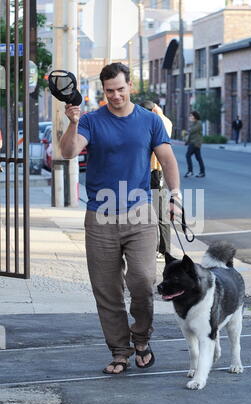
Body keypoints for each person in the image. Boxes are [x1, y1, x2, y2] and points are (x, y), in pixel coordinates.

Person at [60, 63, 181, 375]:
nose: (115, 95)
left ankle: (141, 338)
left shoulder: (150, 120)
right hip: (99, 217)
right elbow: (68, 152)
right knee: (107, 289)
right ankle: (119, 350)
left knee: (142, 280)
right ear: (104, 90)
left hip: (140, 213)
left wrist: (175, 195)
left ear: (130, 87)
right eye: (109, 90)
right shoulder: (90, 120)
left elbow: (167, 159)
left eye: (120, 89)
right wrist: (72, 123)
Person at [140, 100, 172, 261]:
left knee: (160, 212)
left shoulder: (162, 122)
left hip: (158, 172)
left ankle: (165, 250)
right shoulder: (157, 120)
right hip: (152, 172)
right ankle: (158, 247)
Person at [184, 111, 205, 178]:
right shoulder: (194, 123)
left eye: (191, 116)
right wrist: (187, 142)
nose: (190, 117)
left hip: (195, 143)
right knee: (198, 158)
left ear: (195, 116)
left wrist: (189, 129)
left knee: (188, 155)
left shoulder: (199, 123)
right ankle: (202, 172)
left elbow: (192, 131)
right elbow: (190, 134)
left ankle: (190, 171)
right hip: (193, 143)